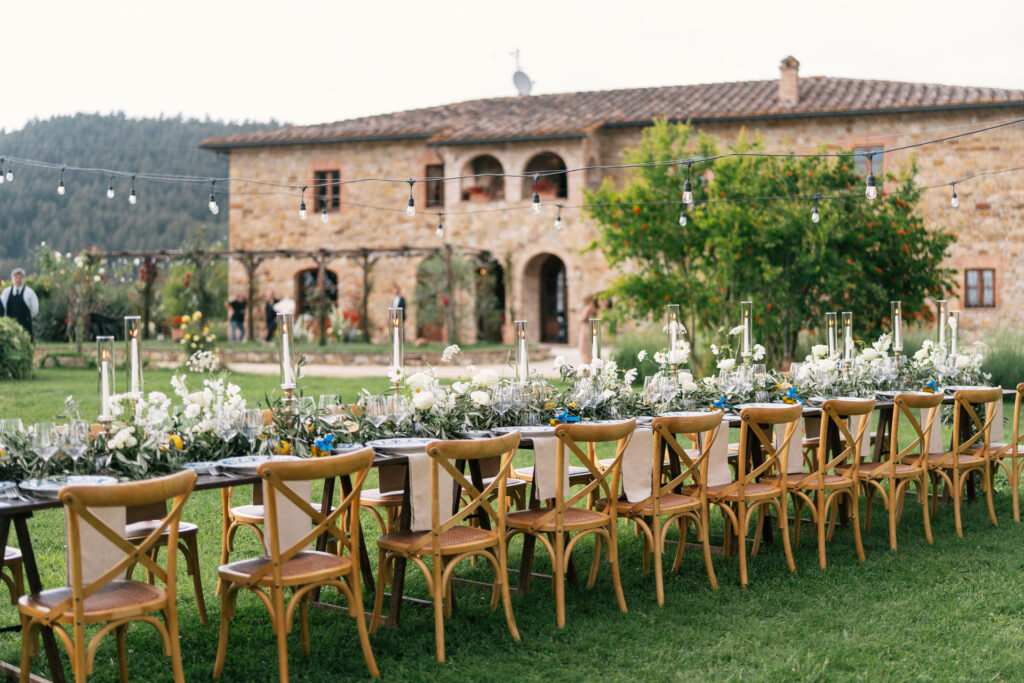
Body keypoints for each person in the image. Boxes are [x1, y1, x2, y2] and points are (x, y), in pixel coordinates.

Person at [1, 268, 39, 340]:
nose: (18, 280)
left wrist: (27, 318)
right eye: (16, 277)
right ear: (12, 278)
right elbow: (3, 308)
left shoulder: (30, 292)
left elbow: (35, 310)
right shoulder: (6, 292)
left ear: (23, 279)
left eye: (20, 278)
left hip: (25, 326)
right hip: (10, 326)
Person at [578, 295, 599, 364]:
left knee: (584, 350)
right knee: (589, 349)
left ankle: (587, 369)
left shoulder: (587, 308)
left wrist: (577, 315)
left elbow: (582, 319)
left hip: (585, 329)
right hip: (591, 328)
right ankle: (588, 367)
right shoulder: (594, 308)